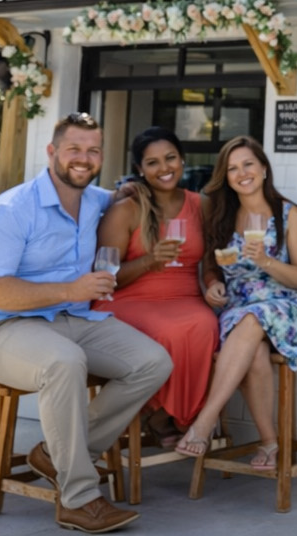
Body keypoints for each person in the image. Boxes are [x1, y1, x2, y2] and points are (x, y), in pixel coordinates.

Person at [0, 112, 171, 534]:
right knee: (64, 362)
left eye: (93, 151)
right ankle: (79, 499)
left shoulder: (96, 200)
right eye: (74, 149)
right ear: (52, 152)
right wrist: (70, 290)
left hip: (70, 320)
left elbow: (121, 194)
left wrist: (131, 188)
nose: (83, 158)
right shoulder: (10, 210)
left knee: (153, 362)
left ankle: (55, 456)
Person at [177, 137, 297, 473]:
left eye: (247, 164)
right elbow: (211, 264)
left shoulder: (290, 215)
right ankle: (269, 442)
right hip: (241, 308)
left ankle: (204, 421)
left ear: (263, 168)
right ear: (226, 176)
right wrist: (212, 284)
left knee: (251, 319)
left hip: (287, 306)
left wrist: (266, 261)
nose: (241, 173)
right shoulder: (222, 215)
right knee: (253, 348)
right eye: (232, 168)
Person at [97, 126, 219, 447]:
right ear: (139, 168)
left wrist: (212, 284)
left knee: (206, 324)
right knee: (168, 330)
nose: (164, 168)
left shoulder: (200, 205)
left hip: (184, 297)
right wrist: (150, 260)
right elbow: (105, 278)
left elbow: (209, 261)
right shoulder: (127, 209)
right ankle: (158, 411)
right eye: (152, 163)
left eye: (170, 158)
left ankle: (163, 415)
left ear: (182, 160)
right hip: (128, 298)